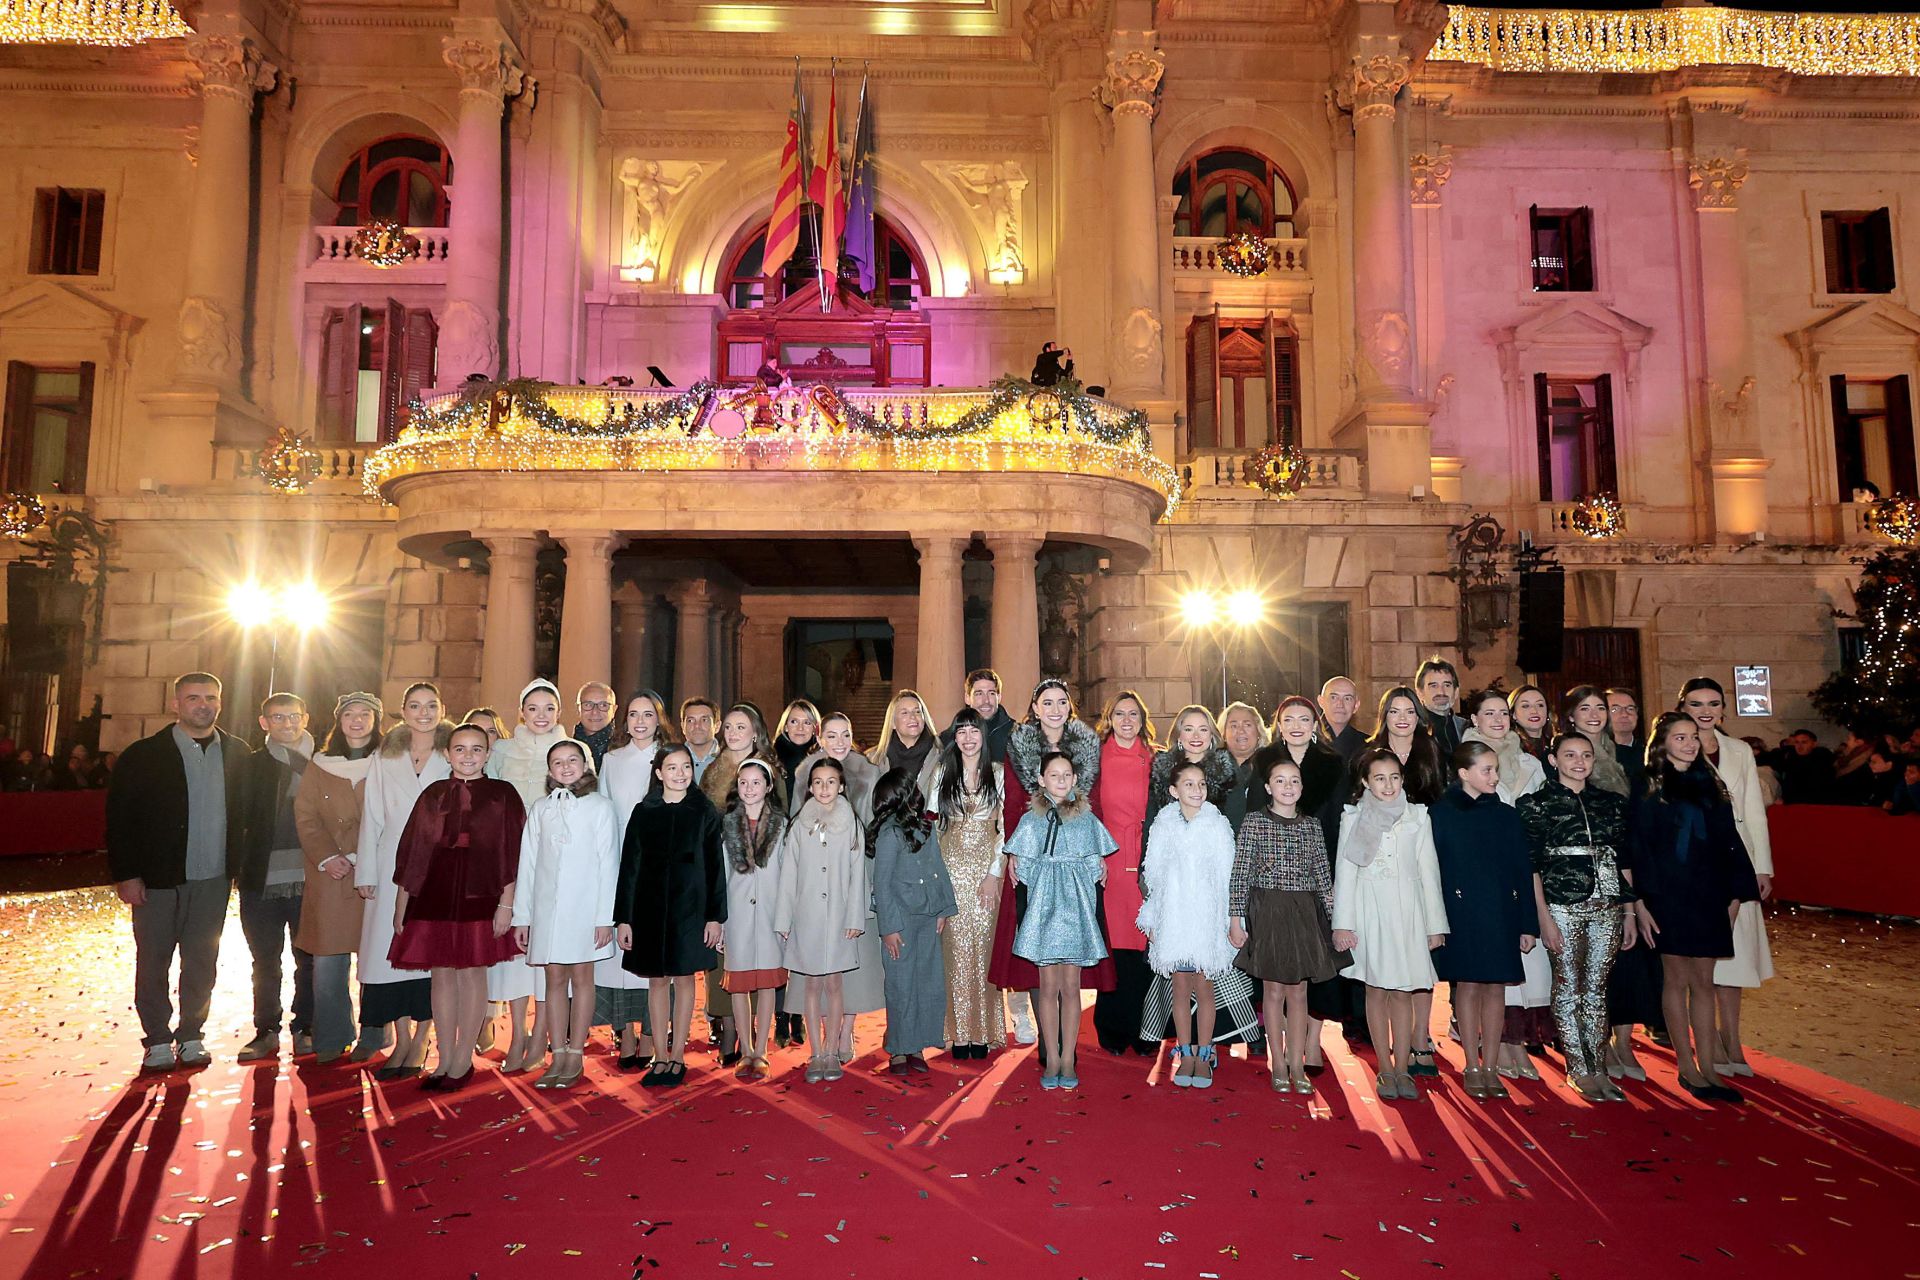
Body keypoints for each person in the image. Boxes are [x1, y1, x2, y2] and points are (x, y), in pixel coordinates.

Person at [108, 672, 246, 1072]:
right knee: (153, 960)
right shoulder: (143, 755)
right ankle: (156, 1038)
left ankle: (191, 1034)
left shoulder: (238, 753)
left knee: (202, 961)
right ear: (176, 704)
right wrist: (126, 874)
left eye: (210, 697)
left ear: (220, 702)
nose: (203, 705)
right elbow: (120, 819)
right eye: (193, 698)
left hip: (213, 878)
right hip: (157, 879)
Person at [1628, 712, 1761, 1104]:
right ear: (1662, 743)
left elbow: (1730, 840)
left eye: (1693, 737)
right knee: (1676, 978)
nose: (1689, 744)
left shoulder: (1710, 783)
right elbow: (1637, 846)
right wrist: (1640, 902)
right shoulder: (1647, 784)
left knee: (1705, 980)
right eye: (1680, 737)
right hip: (1666, 894)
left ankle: (1709, 1068)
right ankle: (1686, 1067)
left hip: (1708, 894)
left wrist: (1735, 895)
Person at [388, 723, 524, 1092]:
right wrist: (401, 905)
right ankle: (444, 1056)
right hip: (434, 891)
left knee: (472, 972)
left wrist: (507, 903)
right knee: (442, 974)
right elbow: (412, 851)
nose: (468, 756)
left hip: (482, 893)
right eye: (460, 749)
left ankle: (463, 1058)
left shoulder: (503, 794)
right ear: (447, 754)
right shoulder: (433, 794)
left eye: (477, 749)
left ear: (488, 753)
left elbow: (513, 853)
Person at [1519, 732, 1636, 1103]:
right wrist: (1543, 917)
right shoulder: (1535, 804)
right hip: (1561, 906)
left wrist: (1630, 911)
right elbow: (1531, 867)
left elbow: (1623, 859)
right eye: (1569, 755)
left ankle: (1599, 1067)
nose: (1579, 762)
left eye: (1585, 755)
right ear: (1554, 760)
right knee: (1568, 986)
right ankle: (1577, 1067)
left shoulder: (1611, 803)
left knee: (1597, 988)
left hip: (1608, 905)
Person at [991, 678, 1106, 1040]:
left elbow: (1096, 804)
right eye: (1047, 703)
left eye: (1061, 702)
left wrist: (1097, 852)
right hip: (1035, 858)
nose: (1055, 710)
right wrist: (1014, 852)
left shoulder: (1087, 746)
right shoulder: (1020, 745)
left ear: (1069, 707)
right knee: (1035, 941)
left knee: (1073, 945)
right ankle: (1046, 1035)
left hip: (1075, 863)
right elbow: (1012, 804)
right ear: (1035, 709)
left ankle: (1065, 1038)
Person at [1331, 750, 1448, 1102]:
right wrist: (1343, 924)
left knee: (1403, 991)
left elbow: (1429, 872)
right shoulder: (1353, 817)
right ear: (1366, 781)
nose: (1388, 785)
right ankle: (1384, 1066)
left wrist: (1435, 924)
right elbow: (1345, 873)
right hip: (1370, 913)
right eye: (1379, 778)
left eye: (1394, 777)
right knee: (1376, 989)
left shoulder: (1418, 816)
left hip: (1409, 913)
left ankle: (1402, 1066)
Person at [352, 683, 451, 1078]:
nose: (423, 713)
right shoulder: (386, 755)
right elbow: (372, 814)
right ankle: (402, 1038)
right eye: (415, 706)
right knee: (389, 951)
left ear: (442, 709)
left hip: (442, 864)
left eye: (431, 705)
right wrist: (366, 871)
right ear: (403, 711)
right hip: (391, 861)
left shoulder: (453, 751)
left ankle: (423, 1037)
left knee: (430, 954)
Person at [1429, 742, 1537, 1102]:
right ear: (1464, 773)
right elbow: (1432, 873)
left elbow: (1522, 870)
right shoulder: (1440, 814)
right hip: (1460, 913)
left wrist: (1528, 924)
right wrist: (1435, 921)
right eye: (1486, 770)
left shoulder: (1507, 815)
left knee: (1496, 988)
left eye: (1495, 769)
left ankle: (1491, 1066)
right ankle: (1471, 1066)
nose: (1494, 776)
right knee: (1468, 985)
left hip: (1502, 911)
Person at [1231, 755, 1345, 1094]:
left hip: (1304, 912)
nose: (1288, 787)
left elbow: (1323, 877)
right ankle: (1278, 1063)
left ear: (1302, 787)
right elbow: (1240, 874)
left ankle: (1297, 1064)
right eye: (1280, 780)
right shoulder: (1254, 822)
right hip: (1268, 910)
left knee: (1299, 991)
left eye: (1294, 780)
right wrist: (1236, 919)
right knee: (1273, 990)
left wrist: (1337, 921)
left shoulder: (1311, 826)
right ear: (1268, 787)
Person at [1678, 677, 1774, 1078]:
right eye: (1696, 703)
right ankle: (1707, 1042)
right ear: (1683, 708)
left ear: (1723, 709)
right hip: (1693, 867)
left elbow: (1754, 810)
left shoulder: (1739, 750)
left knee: (1736, 957)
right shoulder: (1676, 747)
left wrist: (1762, 866)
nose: (1706, 711)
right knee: (1699, 960)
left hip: (1737, 862)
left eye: (1713, 703)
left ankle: (1732, 1039)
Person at [615, 744, 726, 1089]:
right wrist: (624, 918)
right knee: (657, 980)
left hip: (690, 909)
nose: (680, 773)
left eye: (686, 767)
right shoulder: (643, 812)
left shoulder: (704, 811)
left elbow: (715, 867)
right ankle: (659, 1055)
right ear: (659, 773)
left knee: (684, 977)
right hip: (648, 909)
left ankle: (678, 1054)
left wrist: (715, 916)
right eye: (672, 767)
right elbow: (629, 866)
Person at [512, 739, 619, 1090]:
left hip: (585, 908)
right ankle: (557, 1053)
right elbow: (528, 864)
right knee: (554, 978)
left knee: (582, 977)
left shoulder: (600, 807)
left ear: (585, 764)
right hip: (547, 910)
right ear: (549, 770)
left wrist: (605, 917)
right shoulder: (541, 808)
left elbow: (609, 864)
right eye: (558, 762)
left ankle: (576, 1054)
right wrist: (522, 916)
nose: (566, 767)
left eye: (573, 760)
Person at [1006, 751, 1117, 1090]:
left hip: (1076, 910)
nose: (1061, 780)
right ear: (1041, 780)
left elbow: (1096, 866)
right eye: (1053, 775)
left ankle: (1068, 1057)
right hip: (1043, 910)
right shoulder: (1031, 821)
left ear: (1075, 779)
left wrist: (1087, 876)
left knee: (1071, 987)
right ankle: (1051, 1056)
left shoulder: (1086, 819)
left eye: (1067, 774)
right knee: (1047, 986)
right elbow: (1023, 871)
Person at [1258, 694, 1352, 1071]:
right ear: (1279, 725)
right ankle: (1281, 1045)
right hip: (1274, 878)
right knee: (1279, 965)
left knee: (1317, 963)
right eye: (1289, 719)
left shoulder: (1332, 763)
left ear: (1315, 725)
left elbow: (1341, 820)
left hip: (1319, 871)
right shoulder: (1264, 761)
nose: (1296, 726)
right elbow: (1255, 815)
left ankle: (1312, 1042)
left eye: (1304, 719)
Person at [1460, 688, 1550, 1080]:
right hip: (1483, 878)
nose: (1498, 720)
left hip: (1524, 867)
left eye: (1503, 713)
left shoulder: (1530, 762)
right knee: (1489, 970)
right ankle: (1492, 1046)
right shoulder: (1464, 763)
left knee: (1526, 961)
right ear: (1474, 719)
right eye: (1489, 713)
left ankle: (1517, 1044)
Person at [1359, 686, 1446, 1073]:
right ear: (1384, 716)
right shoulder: (1370, 753)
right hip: (1380, 859)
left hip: (1421, 845)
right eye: (1394, 711)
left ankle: (1420, 1037)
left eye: (1409, 711)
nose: (1402, 718)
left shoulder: (1431, 750)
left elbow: (1440, 798)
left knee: (1419, 961)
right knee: (1384, 973)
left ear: (1418, 716)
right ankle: (1391, 1050)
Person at [1137, 760, 1238, 1089]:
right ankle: (1186, 1052)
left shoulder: (1217, 824)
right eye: (1189, 784)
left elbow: (1228, 877)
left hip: (1207, 920)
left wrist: (1231, 920)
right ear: (1173, 790)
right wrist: (1152, 917)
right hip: (1174, 919)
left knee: (1205, 987)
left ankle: (1205, 1053)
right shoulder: (1163, 824)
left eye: (1202, 784)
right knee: (1180, 988)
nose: (1197, 790)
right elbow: (1153, 874)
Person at [293, 692, 381, 1064]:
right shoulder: (320, 765)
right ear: (339, 720)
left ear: (376, 721)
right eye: (349, 714)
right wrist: (328, 857)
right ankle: (331, 1035)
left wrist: (367, 855)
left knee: (376, 961)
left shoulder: (388, 761)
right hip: (331, 874)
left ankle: (375, 1033)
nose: (357, 720)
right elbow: (306, 815)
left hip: (376, 872)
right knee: (328, 961)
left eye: (365, 714)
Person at [484, 679, 565, 1074]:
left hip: (555, 860)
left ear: (559, 712)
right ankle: (517, 1034)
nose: (540, 715)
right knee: (513, 953)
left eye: (548, 708)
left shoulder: (572, 749)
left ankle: (540, 1036)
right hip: (510, 857)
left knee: (547, 950)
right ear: (521, 711)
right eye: (532, 708)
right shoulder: (502, 750)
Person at [233, 693, 318, 1062]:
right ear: (264, 722)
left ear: (305, 718)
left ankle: (306, 1026)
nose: (287, 723)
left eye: (293, 716)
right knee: (265, 961)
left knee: (309, 959)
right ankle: (266, 1030)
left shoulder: (322, 763)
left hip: (310, 879)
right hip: (260, 879)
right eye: (278, 717)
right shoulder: (251, 765)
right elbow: (237, 817)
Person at [774, 757, 867, 1083]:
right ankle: (816, 1052)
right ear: (810, 787)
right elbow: (788, 874)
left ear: (841, 786)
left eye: (831, 782)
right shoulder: (799, 825)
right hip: (807, 917)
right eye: (818, 782)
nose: (824, 788)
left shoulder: (852, 823)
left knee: (835, 983)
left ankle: (832, 1050)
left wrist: (855, 916)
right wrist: (784, 919)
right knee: (811, 984)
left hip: (840, 917)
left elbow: (858, 874)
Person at [595, 691, 673, 1069]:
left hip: (658, 864)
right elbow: (603, 811)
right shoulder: (612, 760)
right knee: (619, 954)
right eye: (633, 714)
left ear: (659, 719)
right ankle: (624, 1030)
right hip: (619, 862)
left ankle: (650, 1034)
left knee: (653, 953)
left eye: (648, 714)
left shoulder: (669, 758)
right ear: (624, 721)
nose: (640, 721)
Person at [926, 707, 1007, 1059]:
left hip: (987, 869)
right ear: (954, 737)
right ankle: (958, 1033)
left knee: (985, 950)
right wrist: (937, 879)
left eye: (974, 731)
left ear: (983, 736)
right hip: (951, 868)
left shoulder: (998, 773)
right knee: (955, 951)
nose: (968, 738)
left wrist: (994, 873)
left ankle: (984, 1032)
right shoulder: (942, 773)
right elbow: (932, 827)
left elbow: (1005, 829)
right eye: (962, 732)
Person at [871, 769, 957, 1074]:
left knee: (927, 982)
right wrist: (889, 928)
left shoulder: (927, 827)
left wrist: (943, 909)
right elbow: (881, 884)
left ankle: (917, 1045)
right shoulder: (888, 834)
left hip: (928, 916)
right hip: (901, 921)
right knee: (900, 984)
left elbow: (939, 868)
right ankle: (899, 1048)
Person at [1089, 691, 1156, 1055]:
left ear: (1142, 720)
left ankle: (1146, 1029)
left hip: (1148, 858)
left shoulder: (1155, 758)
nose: (1127, 720)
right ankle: (1112, 1026)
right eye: (1120, 714)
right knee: (1115, 945)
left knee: (1146, 944)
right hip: (1110, 859)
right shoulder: (1097, 758)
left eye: (1133, 714)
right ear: (1109, 718)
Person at [718, 758, 788, 1081]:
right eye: (743, 782)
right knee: (740, 983)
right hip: (737, 914)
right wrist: (718, 920)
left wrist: (787, 918)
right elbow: (720, 876)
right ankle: (745, 1048)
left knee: (768, 983)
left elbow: (789, 875)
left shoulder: (781, 826)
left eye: (756, 782)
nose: (749, 788)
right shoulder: (727, 825)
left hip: (772, 913)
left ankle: (761, 1050)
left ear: (769, 786)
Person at [866, 689, 938, 789]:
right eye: (904, 713)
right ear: (892, 722)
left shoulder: (941, 757)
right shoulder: (872, 760)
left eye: (917, 711)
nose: (913, 717)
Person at [941, 669, 1015, 764]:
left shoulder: (1015, 735)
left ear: (999, 697)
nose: (986, 700)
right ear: (967, 698)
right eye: (979, 694)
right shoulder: (948, 739)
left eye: (991, 693)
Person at [1217, 701, 1269, 831]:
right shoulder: (1211, 768)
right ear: (1223, 734)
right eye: (1233, 726)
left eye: (1247, 725)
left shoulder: (1273, 766)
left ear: (1258, 732)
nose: (1241, 731)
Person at [1413, 656, 1467, 757]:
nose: (1441, 692)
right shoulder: (1412, 729)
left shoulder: (1466, 728)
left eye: (1447, 685)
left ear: (1456, 692)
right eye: (1433, 686)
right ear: (1420, 693)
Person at [771, 699, 822, 795]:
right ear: (786, 726)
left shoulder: (824, 759)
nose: (800, 728)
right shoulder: (771, 759)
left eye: (807, 723)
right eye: (794, 721)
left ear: (815, 729)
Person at [1775, 729, 1835, 805]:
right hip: (1793, 802)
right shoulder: (1792, 759)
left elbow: (1817, 789)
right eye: (1797, 742)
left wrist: (1787, 801)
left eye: (1804, 742)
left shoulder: (1821, 761)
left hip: (1813, 804)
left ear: (1814, 744)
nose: (1799, 746)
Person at [1317, 676, 1368, 763]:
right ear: (1321, 701)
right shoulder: (1305, 739)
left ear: (1356, 706)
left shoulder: (1368, 746)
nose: (1340, 704)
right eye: (1333, 697)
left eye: (1347, 699)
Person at [1605, 689, 1646, 789]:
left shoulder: (1649, 751)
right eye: (1615, 709)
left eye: (1630, 709)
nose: (1624, 714)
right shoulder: (1596, 752)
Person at [572, 682, 618, 770]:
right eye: (588, 705)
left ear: (614, 710)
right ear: (578, 709)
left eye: (603, 705)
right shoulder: (565, 749)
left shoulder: (625, 747)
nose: (595, 712)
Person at [1508, 685, 1553, 762]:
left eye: (1540, 705)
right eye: (1526, 706)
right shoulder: (1508, 749)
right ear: (1513, 714)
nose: (1534, 711)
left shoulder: (1557, 745)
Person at [679, 698, 720, 780]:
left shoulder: (731, 760)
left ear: (717, 726)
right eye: (690, 720)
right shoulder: (671, 760)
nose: (697, 725)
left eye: (704, 720)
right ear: (683, 727)